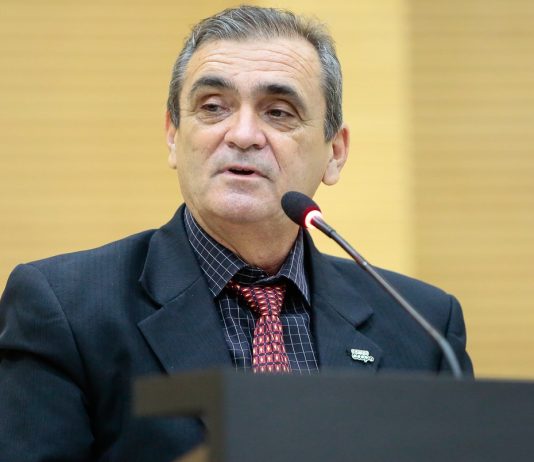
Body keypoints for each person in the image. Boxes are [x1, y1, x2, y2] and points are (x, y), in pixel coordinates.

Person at [0, 5, 473, 461]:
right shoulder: (66, 310)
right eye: (213, 107)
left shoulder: (422, 327)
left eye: (279, 112)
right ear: (173, 135)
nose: (243, 134)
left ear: (335, 152)